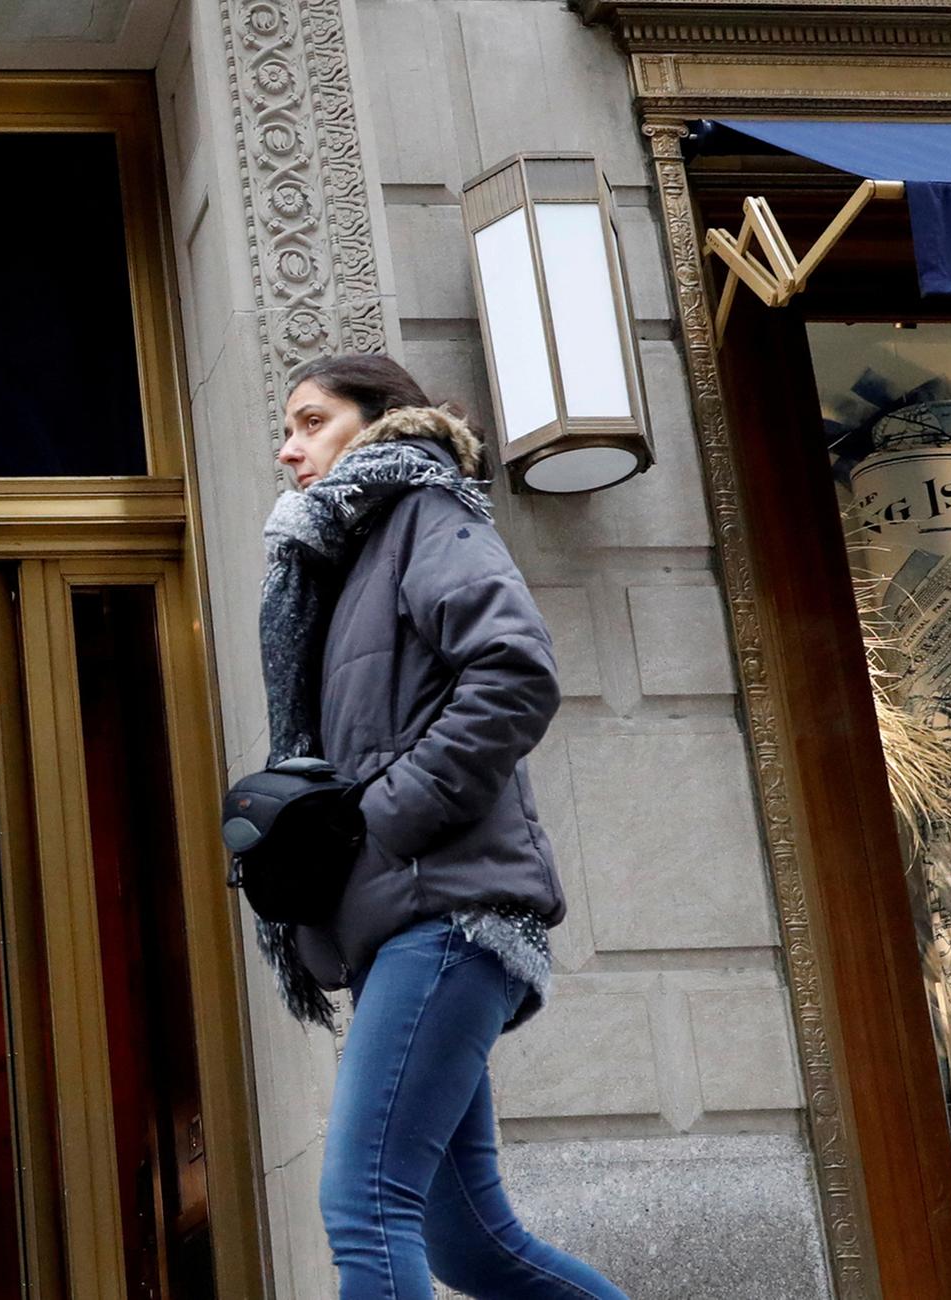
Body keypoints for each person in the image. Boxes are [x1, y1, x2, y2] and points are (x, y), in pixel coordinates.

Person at [262, 353, 628, 1300]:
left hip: (451, 914)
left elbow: (515, 672)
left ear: (381, 420)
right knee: (471, 1246)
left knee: (363, 1203)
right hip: (405, 918)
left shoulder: (424, 513)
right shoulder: (346, 565)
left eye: (311, 422)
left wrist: (385, 817)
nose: (289, 448)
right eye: (287, 430)